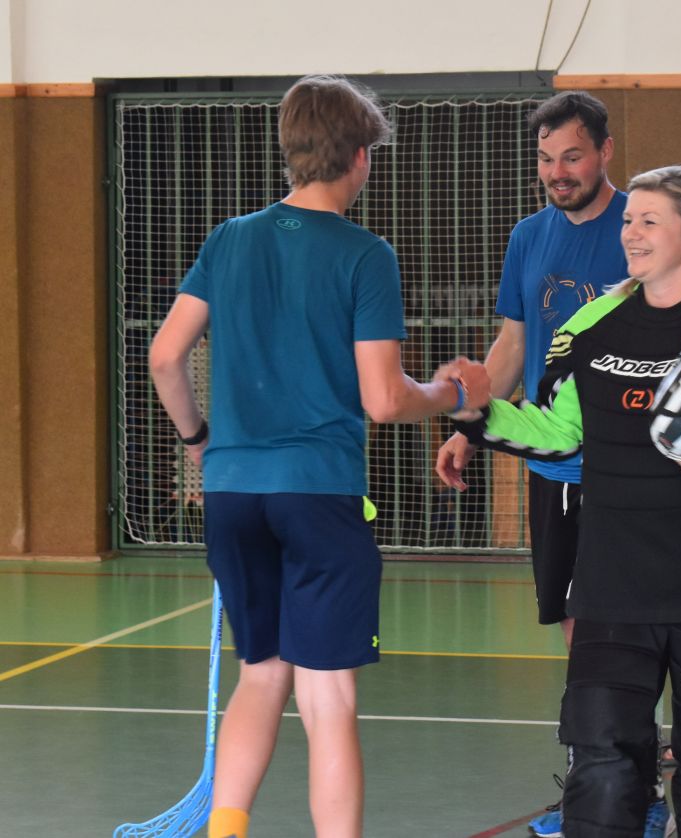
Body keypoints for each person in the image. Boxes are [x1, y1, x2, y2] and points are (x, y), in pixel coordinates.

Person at [148, 75, 489, 838]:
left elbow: (165, 357)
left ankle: (225, 829)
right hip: (317, 493)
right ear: (361, 157)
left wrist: (200, 443)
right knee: (326, 696)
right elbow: (383, 399)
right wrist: (451, 393)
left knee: (261, 673)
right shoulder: (365, 255)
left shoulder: (229, 239)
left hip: (234, 493)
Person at [453, 165, 681, 836]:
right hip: (611, 584)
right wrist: (481, 415)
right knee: (601, 765)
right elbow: (560, 435)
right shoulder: (593, 326)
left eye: (650, 221)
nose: (630, 232)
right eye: (629, 220)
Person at [433, 91, 673, 838]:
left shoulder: (639, 227)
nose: (557, 172)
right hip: (552, 471)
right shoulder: (528, 236)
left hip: (627, 471)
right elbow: (512, 345)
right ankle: (602, 783)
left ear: (604, 152)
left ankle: (637, 791)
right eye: (545, 159)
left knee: (623, 631)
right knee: (577, 630)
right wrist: (471, 428)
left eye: (572, 156)